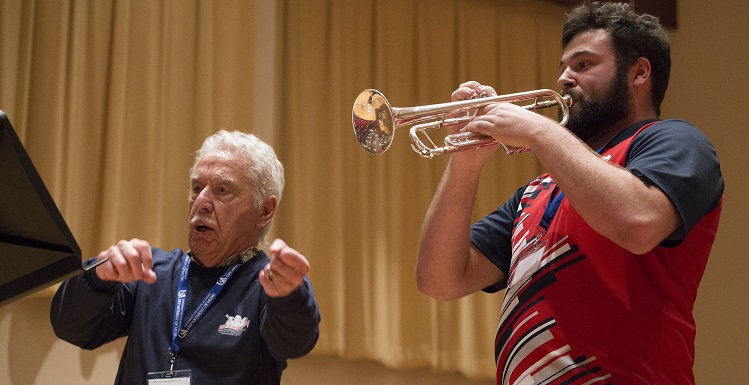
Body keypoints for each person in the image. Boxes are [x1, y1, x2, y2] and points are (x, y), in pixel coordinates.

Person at [415, 2, 723, 385]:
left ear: (639, 73)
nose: (564, 78)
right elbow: (439, 280)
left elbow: (639, 222)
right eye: (563, 66)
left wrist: (540, 131)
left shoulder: (674, 139)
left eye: (583, 64)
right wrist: (465, 163)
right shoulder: (536, 190)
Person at [50, 130, 321, 384]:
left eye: (222, 190)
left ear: (264, 211)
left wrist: (288, 296)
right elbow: (70, 326)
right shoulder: (150, 271)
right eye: (196, 187)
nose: (201, 201)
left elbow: (296, 341)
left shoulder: (270, 283)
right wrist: (98, 279)